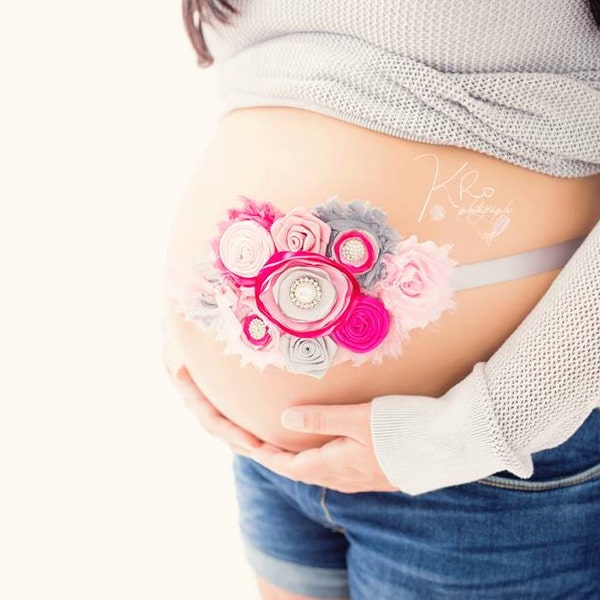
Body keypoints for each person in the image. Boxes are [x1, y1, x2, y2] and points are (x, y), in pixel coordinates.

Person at [163, 1, 600, 598]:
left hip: (486, 468)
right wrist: (193, 326)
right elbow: (264, 88)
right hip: (267, 463)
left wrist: (472, 432)